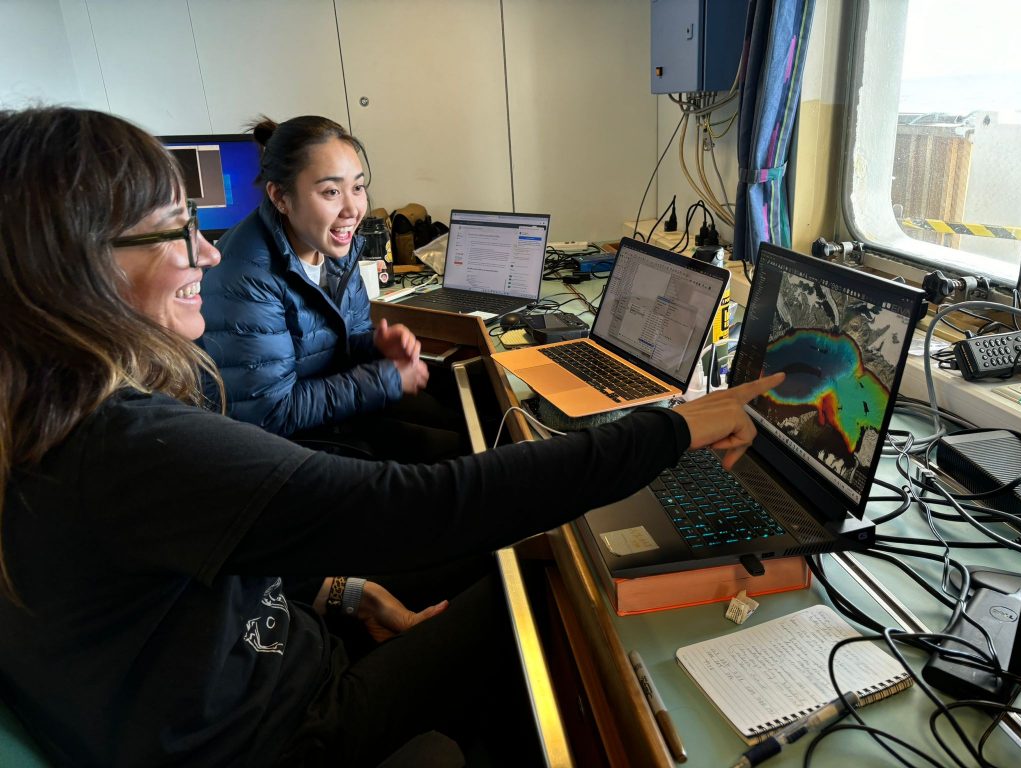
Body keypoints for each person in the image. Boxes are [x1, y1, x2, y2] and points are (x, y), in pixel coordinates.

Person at [0, 106, 783, 768]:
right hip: (273, 735)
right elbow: (419, 505)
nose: (206, 249)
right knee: (539, 587)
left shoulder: (51, 411)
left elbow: (197, 557)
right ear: (76, 265)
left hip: (250, 669)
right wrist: (669, 429)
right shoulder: (119, 443)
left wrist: (346, 591)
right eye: (175, 230)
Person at [200, 115, 460, 461]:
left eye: (358, 187)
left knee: (468, 419)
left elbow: (339, 342)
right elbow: (270, 412)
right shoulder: (246, 275)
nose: (352, 209)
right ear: (280, 197)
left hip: (333, 412)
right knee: (457, 454)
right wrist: (385, 380)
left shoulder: (334, 246)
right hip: (291, 447)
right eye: (331, 192)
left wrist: (374, 346)